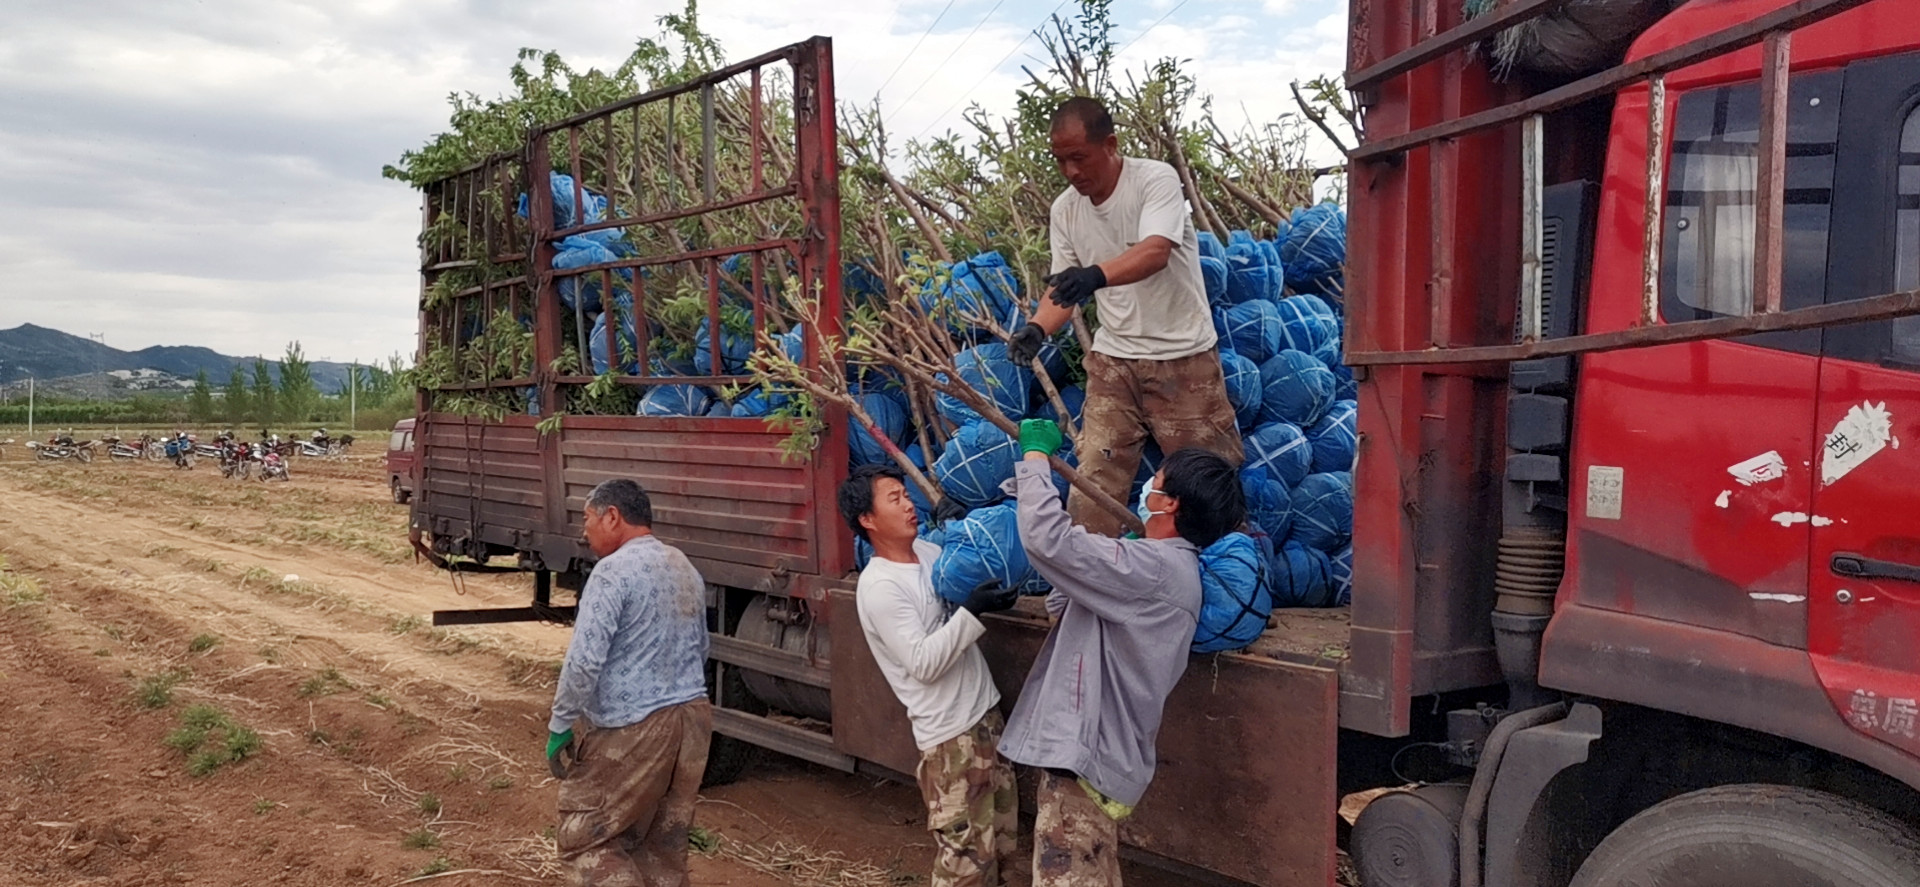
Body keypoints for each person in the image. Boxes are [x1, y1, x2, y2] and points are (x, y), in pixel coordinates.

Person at [998, 420, 1246, 887]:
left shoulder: (1154, 569)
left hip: (1085, 766)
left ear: (1169, 504)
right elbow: (1063, 601)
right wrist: (1115, 554)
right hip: (1102, 766)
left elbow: (1046, 541)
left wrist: (1034, 459)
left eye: (1158, 482)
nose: (1148, 484)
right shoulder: (1165, 569)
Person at [1006, 96, 1243, 538]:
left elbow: (1155, 251)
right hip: (1114, 362)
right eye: (1061, 161)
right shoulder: (1065, 210)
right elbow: (1065, 290)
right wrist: (1038, 328)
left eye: (1079, 157)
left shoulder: (1155, 180)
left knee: (1206, 485)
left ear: (1110, 144)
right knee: (1096, 476)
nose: (1071, 172)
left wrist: (1094, 276)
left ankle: (1226, 583)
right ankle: (1086, 586)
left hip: (1182, 359)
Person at [837, 464, 1021, 887]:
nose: (908, 505)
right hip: (950, 742)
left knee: (1004, 848)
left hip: (986, 720)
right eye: (894, 499)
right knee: (964, 863)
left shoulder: (930, 553)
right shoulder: (880, 586)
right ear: (867, 519)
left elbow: (966, 570)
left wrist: (965, 523)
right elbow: (922, 664)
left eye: (906, 495)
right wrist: (972, 611)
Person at [547, 478, 712, 887]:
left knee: (585, 841)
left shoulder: (611, 573)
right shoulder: (683, 565)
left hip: (634, 725)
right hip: (692, 722)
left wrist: (560, 723)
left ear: (613, 517)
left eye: (588, 519)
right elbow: (702, 648)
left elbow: (584, 661)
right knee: (663, 848)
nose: (584, 532)